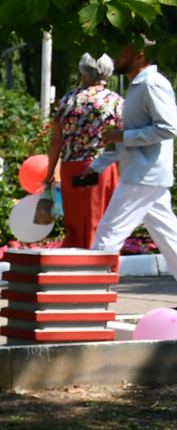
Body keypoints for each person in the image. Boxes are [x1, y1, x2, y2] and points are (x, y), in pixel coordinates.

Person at [79, 37, 177, 276]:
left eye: (121, 52)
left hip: (142, 175)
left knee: (107, 234)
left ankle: (90, 293)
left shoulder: (151, 84)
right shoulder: (138, 85)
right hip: (146, 174)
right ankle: (92, 292)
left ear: (140, 55)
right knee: (170, 239)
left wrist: (123, 136)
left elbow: (169, 128)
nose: (115, 57)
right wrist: (98, 166)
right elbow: (125, 137)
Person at [46, 54, 124, 248]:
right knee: (100, 221)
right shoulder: (115, 102)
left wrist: (49, 174)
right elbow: (124, 138)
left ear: (83, 74)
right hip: (102, 167)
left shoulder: (68, 101)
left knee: (74, 223)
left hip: (71, 167)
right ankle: (100, 260)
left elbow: (56, 142)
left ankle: (74, 259)